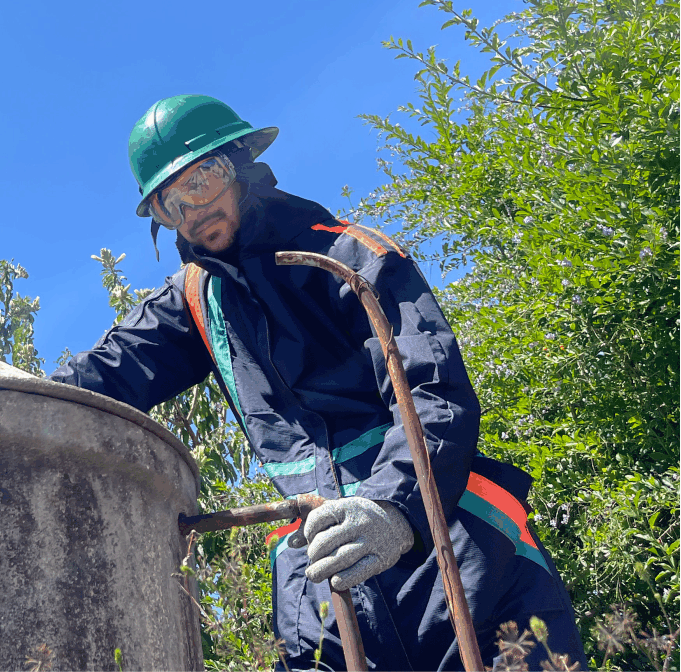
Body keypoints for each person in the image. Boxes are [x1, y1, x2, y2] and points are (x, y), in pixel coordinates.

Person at [49, 94, 585, 671]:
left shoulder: (350, 256)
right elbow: (100, 377)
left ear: (241, 164)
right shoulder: (196, 301)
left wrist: (393, 506)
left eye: (201, 181)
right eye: (169, 203)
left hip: (459, 548)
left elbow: (434, 392)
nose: (191, 211)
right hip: (323, 574)